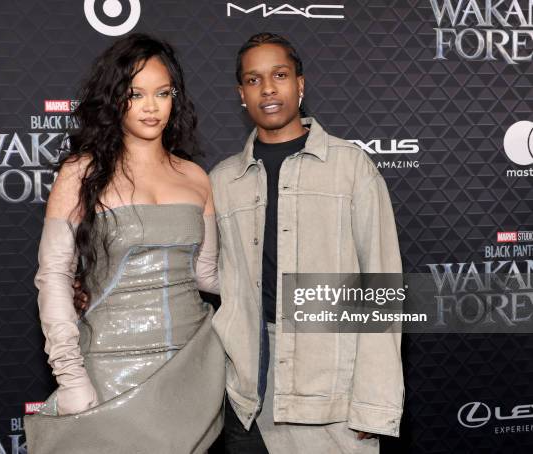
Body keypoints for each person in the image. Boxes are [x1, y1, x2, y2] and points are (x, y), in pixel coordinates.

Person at [24, 33, 225, 454]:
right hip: (107, 367)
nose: (152, 107)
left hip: (189, 369)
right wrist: (71, 377)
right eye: (136, 94)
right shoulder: (81, 173)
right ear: (115, 99)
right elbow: (54, 277)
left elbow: (206, 275)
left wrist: (291, 284)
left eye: (163, 93)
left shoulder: (196, 178)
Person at [209, 33, 404, 453]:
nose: (268, 89)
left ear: (300, 83)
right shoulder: (223, 180)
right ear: (241, 93)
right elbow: (210, 274)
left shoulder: (351, 168)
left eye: (279, 75)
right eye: (253, 79)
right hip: (247, 398)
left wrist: (374, 402)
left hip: (330, 393)